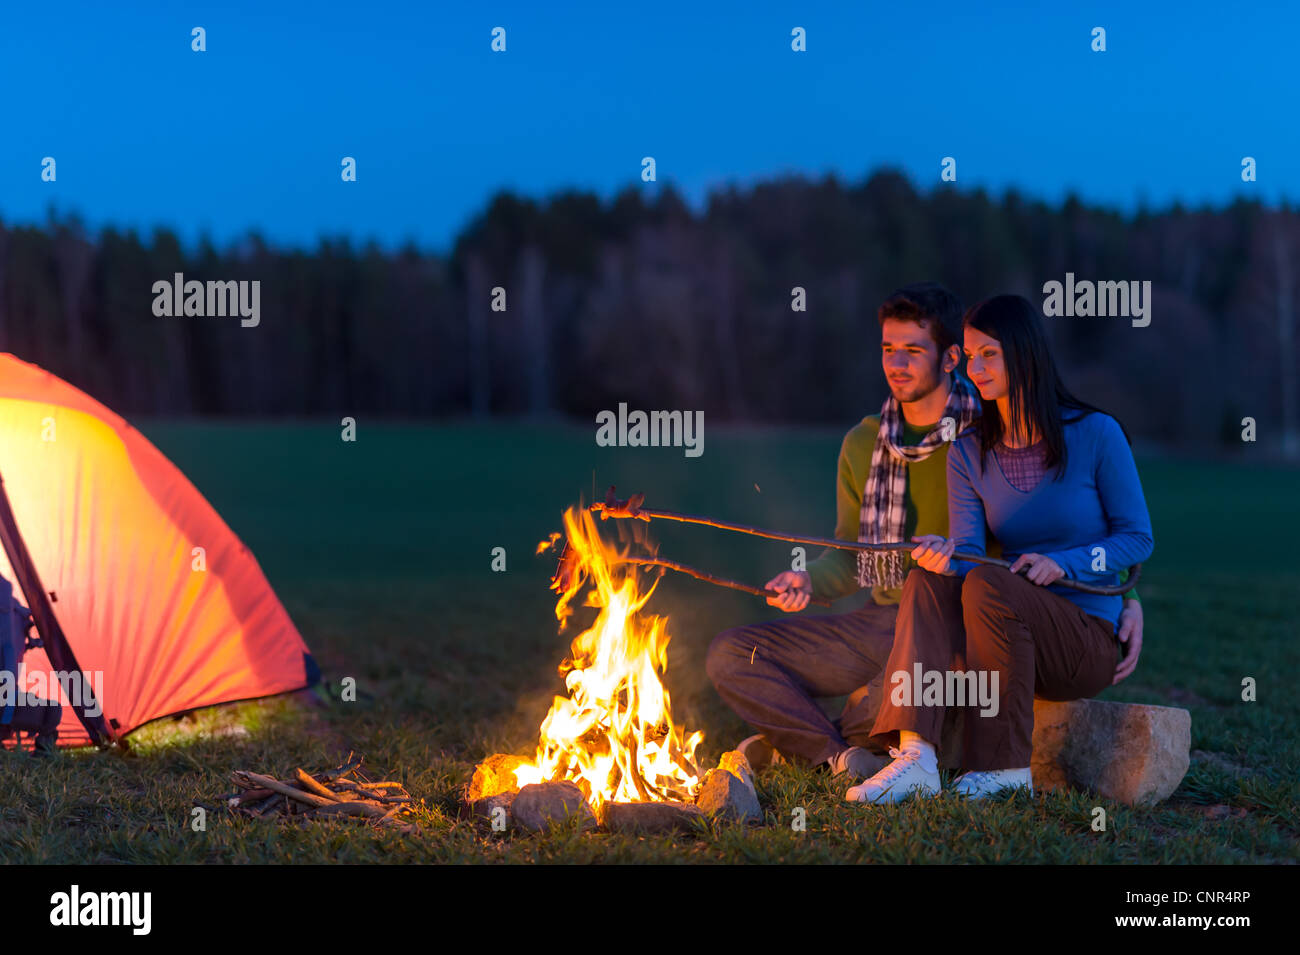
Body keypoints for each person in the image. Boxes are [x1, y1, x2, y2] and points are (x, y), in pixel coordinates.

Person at [706, 284, 1146, 780]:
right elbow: (856, 552)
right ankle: (841, 756)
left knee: (918, 661)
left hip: (966, 621)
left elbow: (1107, 527)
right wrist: (808, 580)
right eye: (888, 349)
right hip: (892, 614)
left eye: (913, 350)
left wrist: (1128, 597)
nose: (897, 363)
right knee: (732, 654)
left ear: (948, 357)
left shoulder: (990, 424)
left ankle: (823, 746)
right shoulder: (869, 443)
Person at [848, 294, 1153, 803]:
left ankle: (1004, 770)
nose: (976, 368)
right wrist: (947, 554)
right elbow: (970, 553)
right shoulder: (968, 450)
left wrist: (1065, 563)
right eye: (969, 356)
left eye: (989, 354)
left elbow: (1136, 536)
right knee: (928, 577)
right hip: (1007, 630)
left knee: (991, 581)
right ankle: (916, 756)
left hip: (1085, 639)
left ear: (1023, 352)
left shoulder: (1097, 434)